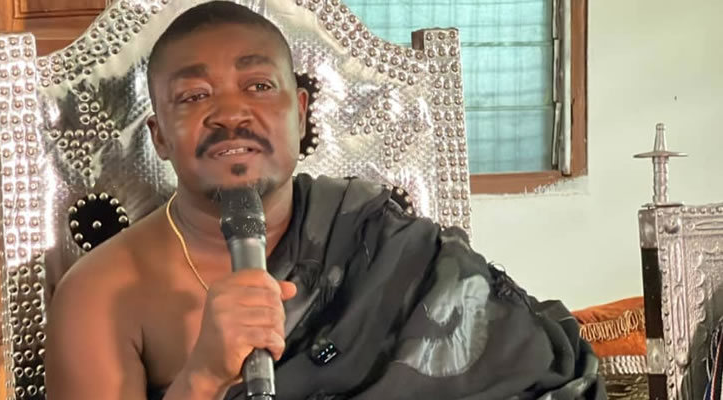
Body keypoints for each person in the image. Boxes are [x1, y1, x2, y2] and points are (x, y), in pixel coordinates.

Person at [45, 2, 605, 399]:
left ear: (300, 112)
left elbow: (538, 376)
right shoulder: (101, 295)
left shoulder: (380, 240)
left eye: (259, 86)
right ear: (160, 137)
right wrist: (204, 376)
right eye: (194, 95)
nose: (230, 113)